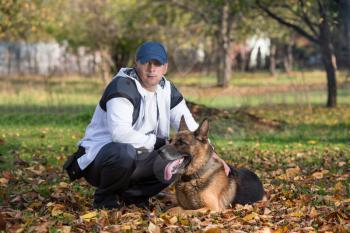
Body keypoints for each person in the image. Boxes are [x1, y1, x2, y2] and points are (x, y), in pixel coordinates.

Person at [63, 41, 199, 209]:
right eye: (146, 62)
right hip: (101, 160)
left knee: (177, 157)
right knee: (124, 151)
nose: (151, 68)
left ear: (165, 67)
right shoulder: (122, 85)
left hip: (138, 160)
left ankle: (133, 197)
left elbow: (192, 129)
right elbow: (120, 134)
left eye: (157, 63)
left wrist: (212, 154)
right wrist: (158, 142)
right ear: (137, 63)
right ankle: (104, 198)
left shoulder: (167, 89)